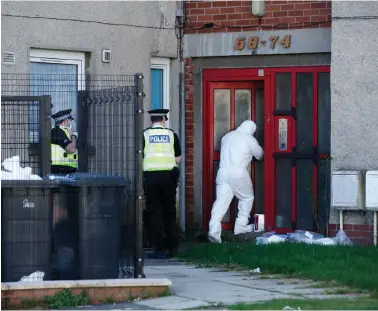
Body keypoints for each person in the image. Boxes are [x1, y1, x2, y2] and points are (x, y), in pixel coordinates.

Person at [208, 120, 264, 244]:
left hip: (222, 172)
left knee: (220, 202)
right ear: (252, 130)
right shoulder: (249, 139)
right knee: (247, 198)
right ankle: (241, 226)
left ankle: (213, 230)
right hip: (238, 172)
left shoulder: (226, 137)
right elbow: (260, 155)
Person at [143, 108, 182, 259]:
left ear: (151, 121)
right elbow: (178, 159)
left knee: (154, 212)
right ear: (164, 120)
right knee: (170, 212)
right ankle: (173, 248)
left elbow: (140, 155)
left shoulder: (145, 134)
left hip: (151, 178)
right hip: (168, 178)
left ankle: (159, 248)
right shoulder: (171, 135)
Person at [50, 109, 78, 174]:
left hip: (68, 168)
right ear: (65, 121)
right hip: (59, 168)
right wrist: (73, 136)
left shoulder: (66, 132)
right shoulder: (57, 131)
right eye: (70, 120)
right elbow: (71, 149)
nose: (71, 122)